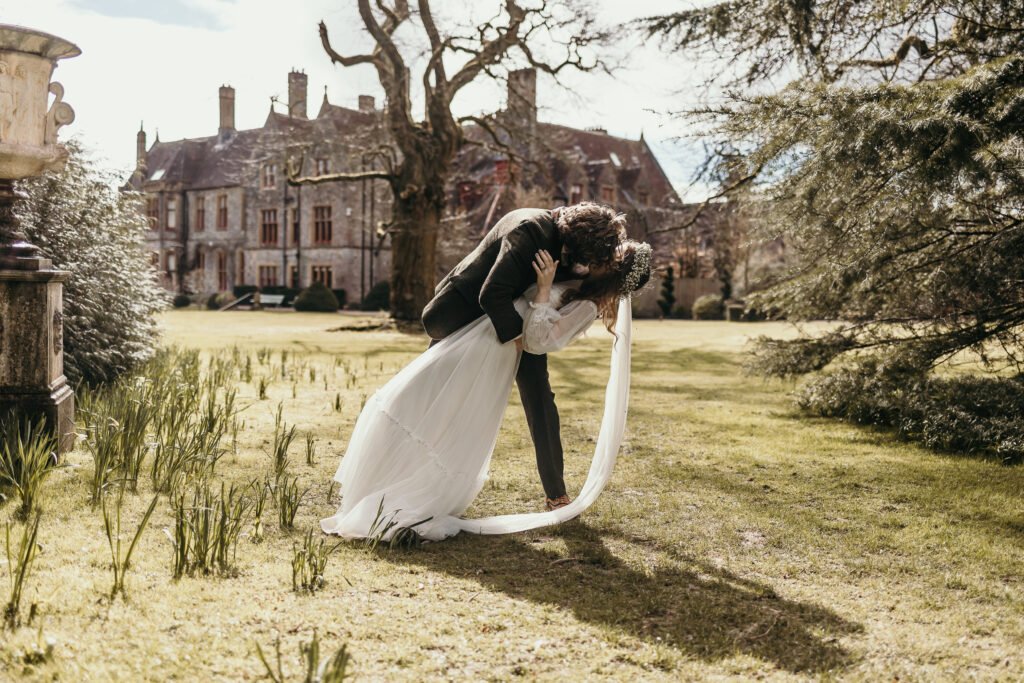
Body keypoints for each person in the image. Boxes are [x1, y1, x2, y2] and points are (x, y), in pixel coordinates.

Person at [320, 232, 653, 542]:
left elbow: (538, 341)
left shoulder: (587, 305)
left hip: (500, 345)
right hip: (484, 330)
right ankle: (382, 482)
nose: (606, 253)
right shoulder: (578, 268)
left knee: (450, 408)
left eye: (614, 255)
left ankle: (410, 493)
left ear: (613, 272)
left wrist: (542, 289)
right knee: (417, 396)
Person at [422, 203, 626, 510]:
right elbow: (491, 293)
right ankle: (420, 474)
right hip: (465, 315)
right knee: (436, 394)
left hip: (522, 320)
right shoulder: (530, 229)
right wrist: (520, 337)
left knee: (540, 399)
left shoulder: (571, 238)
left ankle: (556, 494)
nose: (581, 267)